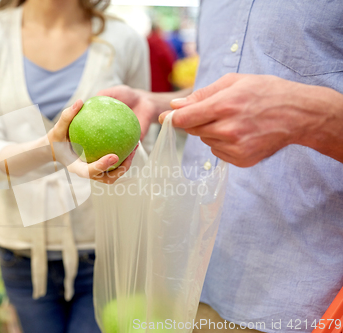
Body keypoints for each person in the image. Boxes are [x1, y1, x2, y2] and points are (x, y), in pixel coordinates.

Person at [96, 1, 343, 332]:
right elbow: (215, 82)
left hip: (303, 295)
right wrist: (155, 102)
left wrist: (307, 113)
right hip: (189, 273)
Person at [0, 0, 149, 332]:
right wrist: (51, 150)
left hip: (109, 246)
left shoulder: (125, 38)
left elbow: (143, 137)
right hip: (21, 250)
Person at [147, 24, 176, 92]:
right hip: (161, 81)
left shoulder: (145, 41)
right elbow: (168, 62)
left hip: (147, 80)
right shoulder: (159, 42)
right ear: (158, 30)